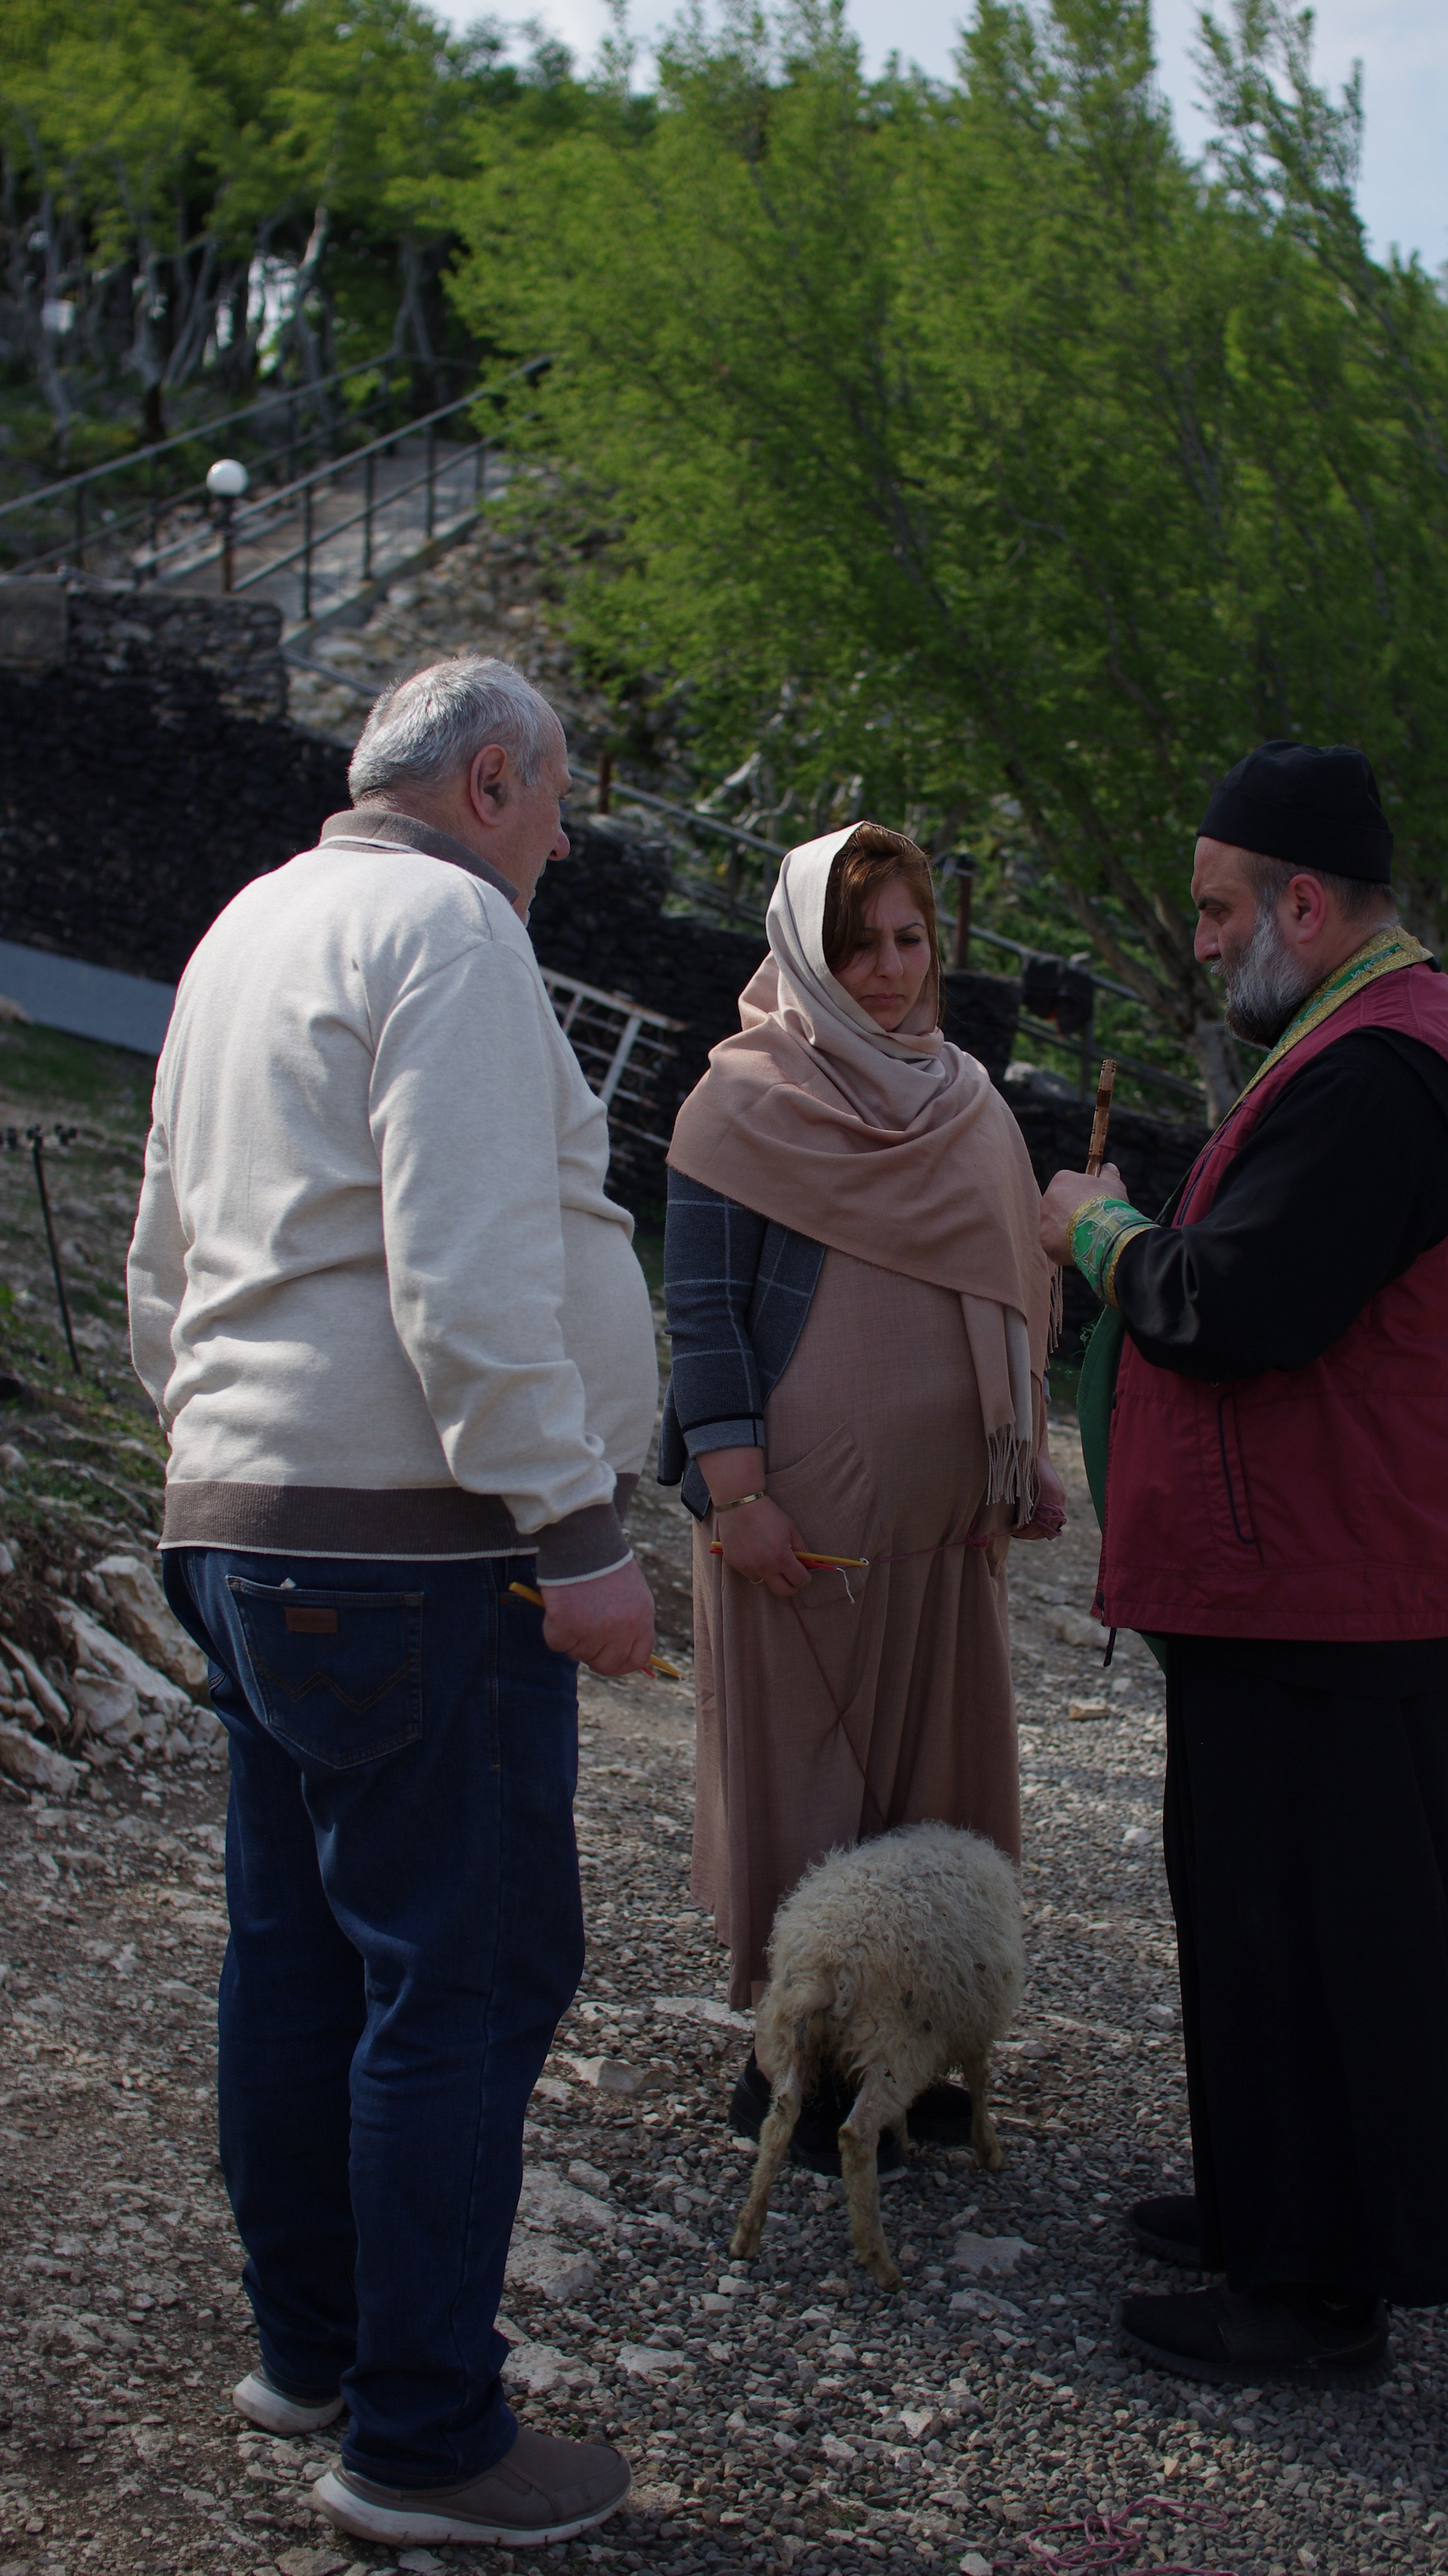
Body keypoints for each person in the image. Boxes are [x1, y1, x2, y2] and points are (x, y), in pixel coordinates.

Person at [127, 656, 659, 2547]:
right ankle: (425, 2437)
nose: (567, 840)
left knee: (298, 1953)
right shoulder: (447, 926)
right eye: (558, 800)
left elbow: (161, 1256)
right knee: (468, 1969)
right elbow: (464, 1268)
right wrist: (579, 1531)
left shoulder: (247, 925)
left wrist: (217, 1459)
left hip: (246, 1517)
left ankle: (318, 2351)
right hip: (416, 1550)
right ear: (492, 778)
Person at [1040, 741, 1448, 2390]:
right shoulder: (1396, 1041)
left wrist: (1097, 1231)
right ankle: (1268, 2201)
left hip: (1345, 1589)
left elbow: (1234, 1305)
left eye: (1215, 911)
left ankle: (1314, 2287)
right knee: (1264, 1910)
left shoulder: (1380, 1070)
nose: (1201, 942)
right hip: (1346, 1579)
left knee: (1325, 1932)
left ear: (1300, 900)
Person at [660, 821, 1064, 2169]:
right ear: (801, 952)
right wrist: (734, 1494)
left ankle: (913, 2045)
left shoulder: (966, 1101)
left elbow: (1013, 1293)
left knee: (925, 1785)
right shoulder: (740, 1101)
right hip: (798, 1530)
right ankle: (799, 2055)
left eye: (906, 941)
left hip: (946, 1532)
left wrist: (1024, 1458)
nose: (886, 972)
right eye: (855, 946)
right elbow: (704, 1316)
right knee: (805, 1780)